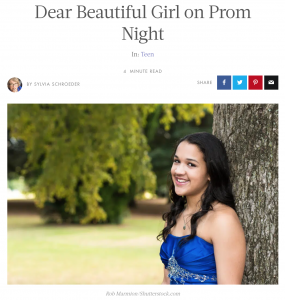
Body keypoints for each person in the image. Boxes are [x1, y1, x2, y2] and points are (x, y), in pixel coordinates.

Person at [158, 132, 246, 284]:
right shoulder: (173, 219)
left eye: (191, 164)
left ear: (210, 173)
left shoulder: (223, 220)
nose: (178, 171)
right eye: (177, 161)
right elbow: (166, 282)